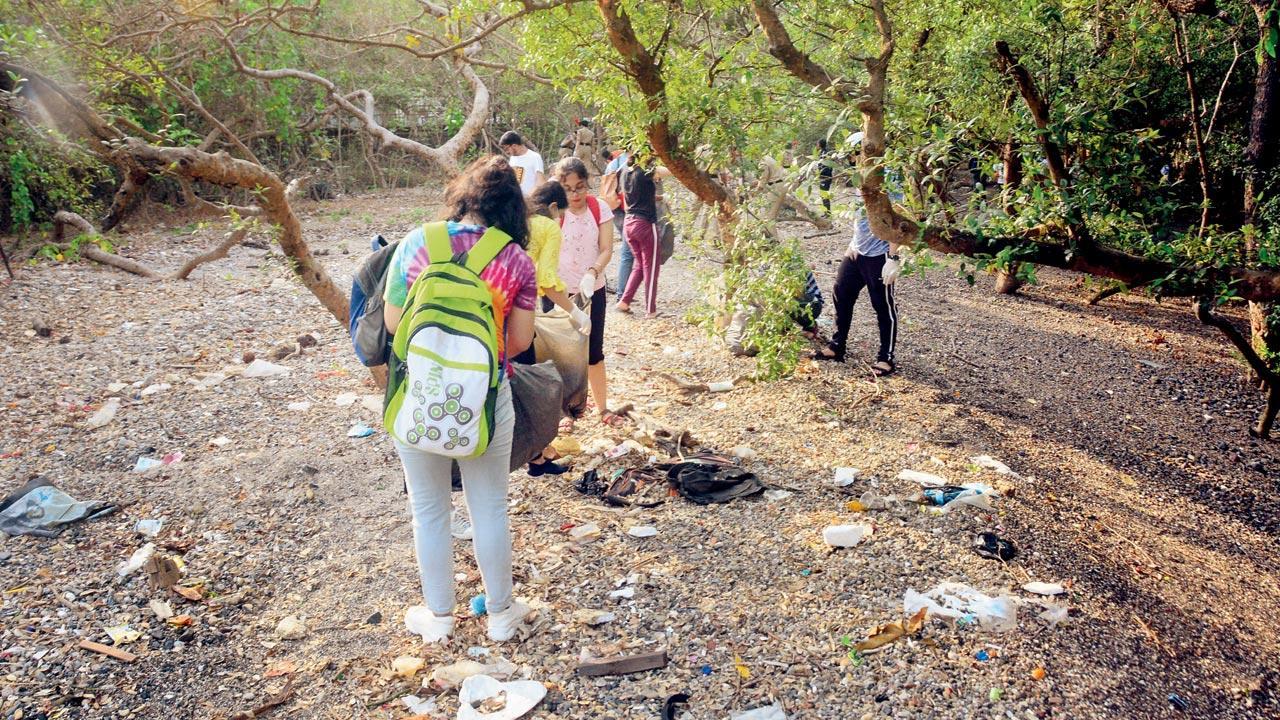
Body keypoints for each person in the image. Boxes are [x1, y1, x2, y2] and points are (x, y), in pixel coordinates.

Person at [382, 155, 538, 644]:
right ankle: (500, 615)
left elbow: (392, 325)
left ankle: (440, 618)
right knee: (488, 507)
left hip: (420, 394)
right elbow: (517, 343)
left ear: (463, 197)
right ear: (513, 210)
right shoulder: (516, 259)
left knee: (428, 511)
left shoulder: (416, 242)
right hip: (487, 399)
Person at [512, 180, 593, 473]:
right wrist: (575, 311)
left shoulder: (517, 221)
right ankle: (535, 455)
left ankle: (539, 453)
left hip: (495, 307)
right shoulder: (547, 227)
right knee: (530, 383)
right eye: (564, 214)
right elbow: (545, 279)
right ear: (555, 207)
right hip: (517, 314)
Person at [553, 157, 625, 427]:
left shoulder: (599, 208)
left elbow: (606, 248)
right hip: (559, 292)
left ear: (587, 184)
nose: (575, 194)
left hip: (592, 289)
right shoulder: (554, 212)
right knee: (562, 353)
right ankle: (565, 412)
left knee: (593, 352)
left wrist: (593, 271)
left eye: (580, 187)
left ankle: (603, 408)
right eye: (568, 188)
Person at [811, 188, 901, 376]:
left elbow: (900, 222)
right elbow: (860, 217)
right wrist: (852, 244)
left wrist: (893, 257)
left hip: (880, 254)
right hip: (856, 251)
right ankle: (837, 346)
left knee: (883, 305)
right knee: (841, 293)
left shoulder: (891, 180)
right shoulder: (859, 178)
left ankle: (886, 358)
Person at [616, 154, 673, 318]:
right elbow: (669, 170)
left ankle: (624, 301)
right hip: (645, 224)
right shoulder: (646, 171)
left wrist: (661, 197)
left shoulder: (626, 171)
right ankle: (650, 310)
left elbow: (637, 196)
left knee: (640, 266)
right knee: (651, 268)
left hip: (629, 223)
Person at [599, 148, 630, 291]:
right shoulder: (631, 160)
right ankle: (623, 291)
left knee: (628, 246)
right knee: (628, 249)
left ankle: (623, 289)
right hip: (628, 208)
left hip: (615, 206)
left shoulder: (613, 163)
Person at [499, 130, 544, 197]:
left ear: (514, 145)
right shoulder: (512, 159)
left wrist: (528, 198)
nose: (506, 152)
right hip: (515, 200)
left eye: (506, 149)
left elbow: (540, 182)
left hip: (530, 200)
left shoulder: (535, 157)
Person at [816, 138, 835, 216]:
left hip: (826, 177)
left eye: (817, 144)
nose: (816, 145)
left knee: (825, 195)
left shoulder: (826, 153)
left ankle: (828, 213)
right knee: (823, 195)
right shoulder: (821, 152)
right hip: (822, 176)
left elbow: (827, 166)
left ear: (820, 144)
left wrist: (821, 173)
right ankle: (826, 212)